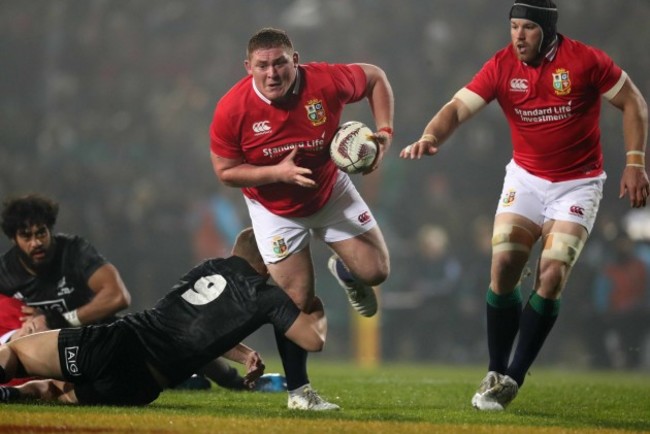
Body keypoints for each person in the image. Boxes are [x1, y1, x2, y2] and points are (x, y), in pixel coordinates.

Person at [400, 0, 649, 410]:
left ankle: (512, 378)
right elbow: (457, 108)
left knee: (551, 275)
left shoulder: (585, 61)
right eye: (514, 26)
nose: (518, 35)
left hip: (578, 184)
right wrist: (431, 137)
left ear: (547, 30)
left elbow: (634, 102)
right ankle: (495, 369)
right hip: (527, 179)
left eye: (528, 28)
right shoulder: (500, 66)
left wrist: (636, 163)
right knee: (502, 267)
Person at [209, 27, 394, 410]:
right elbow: (226, 171)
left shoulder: (325, 81)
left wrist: (384, 133)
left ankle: (347, 272)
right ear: (248, 68)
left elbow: (375, 77)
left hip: (330, 192)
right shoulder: (232, 109)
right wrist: (275, 174)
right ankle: (300, 393)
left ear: (295, 59)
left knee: (376, 272)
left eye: (279, 62)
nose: (272, 73)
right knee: (295, 299)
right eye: (262, 66)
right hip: (275, 210)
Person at [0, 227, 327, 405]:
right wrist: (313, 303)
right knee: (51, 393)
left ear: (235, 253)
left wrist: (242, 355)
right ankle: (9, 396)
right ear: (269, 259)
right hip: (139, 386)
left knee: (16, 352)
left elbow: (188, 319)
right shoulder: (268, 297)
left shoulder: (208, 268)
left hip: (120, 342)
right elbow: (313, 340)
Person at [0, 194, 131, 330]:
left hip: (95, 338)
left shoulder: (74, 252)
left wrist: (62, 321)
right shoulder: (5, 271)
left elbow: (118, 296)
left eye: (41, 233)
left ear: (50, 230)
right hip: (44, 348)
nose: (36, 243)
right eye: (26, 236)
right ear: (13, 239)